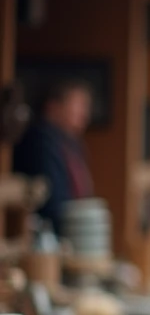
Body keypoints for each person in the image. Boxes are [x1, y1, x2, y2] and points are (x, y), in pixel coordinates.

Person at [14, 79, 94, 235]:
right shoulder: (41, 140)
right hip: (48, 231)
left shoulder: (70, 142)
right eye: (78, 106)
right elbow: (53, 200)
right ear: (53, 106)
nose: (84, 114)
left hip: (74, 229)